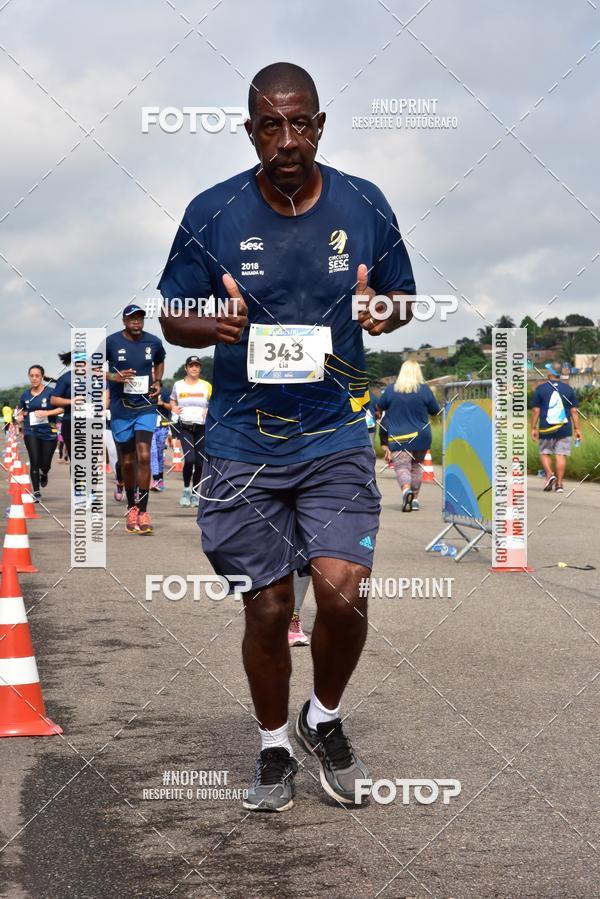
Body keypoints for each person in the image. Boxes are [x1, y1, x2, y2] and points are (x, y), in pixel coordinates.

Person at [158, 62, 415, 812]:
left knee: (342, 589)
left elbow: (401, 297)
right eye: (271, 125)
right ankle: (274, 745)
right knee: (268, 606)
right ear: (250, 132)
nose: (288, 139)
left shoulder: (365, 203)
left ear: (320, 126)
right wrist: (212, 322)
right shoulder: (212, 212)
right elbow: (172, 315)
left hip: (334, 431)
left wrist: (382, 311)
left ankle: (323, 719)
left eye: (301, 123)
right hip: (242, 441)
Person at [106, 304, 166, 534]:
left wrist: (158, 381)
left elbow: (159, 361)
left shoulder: (153, 342)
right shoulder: (111, 342)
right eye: (132, 318)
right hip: (121, 408)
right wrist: (113, 376)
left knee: (144, 455)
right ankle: (131, 507)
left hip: (145, 406)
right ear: (124, 320)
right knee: (128, 460)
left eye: (140, 318)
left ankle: (143, 511)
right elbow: (89, 367)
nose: (137, 321)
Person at [377, 360, 440, 512]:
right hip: (421, 435)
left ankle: (406, 490)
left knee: (402, 467)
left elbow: (380, 406)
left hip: (399, 436)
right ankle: (415, 500)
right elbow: (435, 411)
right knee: (416, 467)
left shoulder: (391, 390)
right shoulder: (425, 390)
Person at [531, 362, 581, 493]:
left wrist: (533, 428)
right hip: (564, 428)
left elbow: (536, 410)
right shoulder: (568, 389)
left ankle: (549, 474)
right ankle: (559, 485)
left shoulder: (541, 389)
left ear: (550, 373)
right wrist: (577, 429)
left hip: (546, 428)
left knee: (544, 452)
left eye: (547, 370)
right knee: (561, 455)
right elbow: (574, 411)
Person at [15, 365, 63, 498]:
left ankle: (44, 473)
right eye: (32, 376)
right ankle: (36, 491)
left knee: (45, 464)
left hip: (49, 431)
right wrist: (19, 417)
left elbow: (62, 408)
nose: (34, 378)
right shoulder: (25, 395)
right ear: (29, 377)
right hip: (31, 431)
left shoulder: (51, 392)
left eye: (37, 376)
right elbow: (20, 411)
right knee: (34, 461)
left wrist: (46, 413)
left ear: (42, 377)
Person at [170, 356, 212, 507]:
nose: (194, 368)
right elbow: (173, 400)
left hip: (201, 428)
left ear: (200, 368)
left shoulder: (206, 385)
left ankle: (195, 493)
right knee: (189, 459)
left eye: (197, 366)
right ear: (186, 368)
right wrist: (173, 407)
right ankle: (186, 490)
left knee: (200, 463)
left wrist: (209, 409)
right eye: (191, 365)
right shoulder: (178, 385)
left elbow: (214, 402)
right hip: (185, 427)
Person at [51, 352, 73, 462]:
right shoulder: (65, 378)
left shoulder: (96, 377)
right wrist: (72, 401)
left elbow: (106, 395)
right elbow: (54, 400)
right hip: (70, 423)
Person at [150, 385, 172, 491]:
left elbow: (171, 407)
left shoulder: (165, 391)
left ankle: (160, 479)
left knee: (159, 454)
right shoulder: (145, 389)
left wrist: (162, 403)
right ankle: (155, 480)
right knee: (153, 452)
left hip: (163, 425)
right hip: (149, 425)